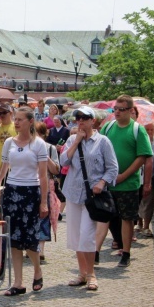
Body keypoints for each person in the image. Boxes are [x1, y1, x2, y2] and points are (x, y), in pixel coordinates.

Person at [59, 106, 118, 291]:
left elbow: (113, 168)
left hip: (93, 195)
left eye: (85, 118)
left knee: (87, 235)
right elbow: (63, 162)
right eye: (78, 118)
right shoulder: (71, 139)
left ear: (93, 120)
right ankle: (82, 273)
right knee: (76, 236)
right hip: (73, 192)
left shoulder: (103, 142)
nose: (81, 121)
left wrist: (102, 182)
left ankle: (92, 273)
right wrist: (76, 141)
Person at [95, 95, 152, 268]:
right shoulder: (108, 127)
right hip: (108, 182)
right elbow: (98, 148)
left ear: (130, 110)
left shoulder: (137, 129)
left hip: (128, 184)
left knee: (127, 218)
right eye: (115, 109)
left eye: (120, 109)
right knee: (103, 217)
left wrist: (123, 175)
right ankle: (95, 251)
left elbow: (142, 156)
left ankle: (125, 252)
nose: (117, 112)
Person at [0, 107, 48, 296]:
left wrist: (44, 202)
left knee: (29, 237)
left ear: (30, 122)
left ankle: (37, 270)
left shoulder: (38, 144)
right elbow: (4, 168)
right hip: (11, 191)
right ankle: (18, 282)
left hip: (30, 192)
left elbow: (43, 176)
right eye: (15, 119)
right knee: (13, 238)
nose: (16, 123)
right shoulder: (9, 142)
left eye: (20, 119)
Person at [34, 122, 60, 263]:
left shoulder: (50, 149)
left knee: (44, 217)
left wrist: (45, 155)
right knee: (32, 217)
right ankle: (32, 246)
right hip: (31, 186)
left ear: (43, 135)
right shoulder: (27, 148)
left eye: (38, 133)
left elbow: (56, 170)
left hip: (46, 186)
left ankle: (41, 249)